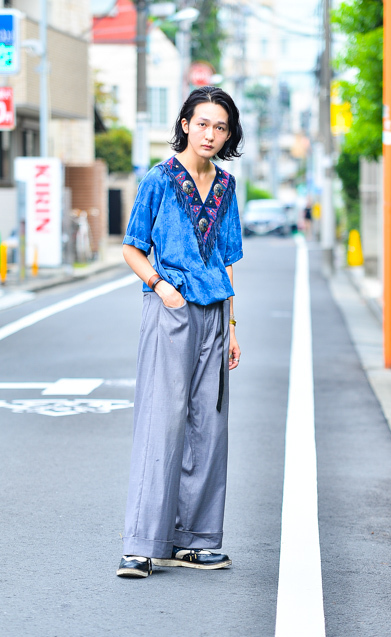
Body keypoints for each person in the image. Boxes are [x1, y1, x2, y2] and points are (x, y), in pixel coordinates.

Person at [116, 86, 244, 579]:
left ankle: (196, 540)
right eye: (203, 123)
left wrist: (232, 327)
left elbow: (227, 262)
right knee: (161, 422)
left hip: (214, 312)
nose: (211, 134)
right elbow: (131, 247)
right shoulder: (158, 179)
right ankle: (142, 546)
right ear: (185, 124)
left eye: (221, 126)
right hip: (170, 309)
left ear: (228, 133)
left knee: (209, 428)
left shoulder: (228, 187)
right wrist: (160, 285)